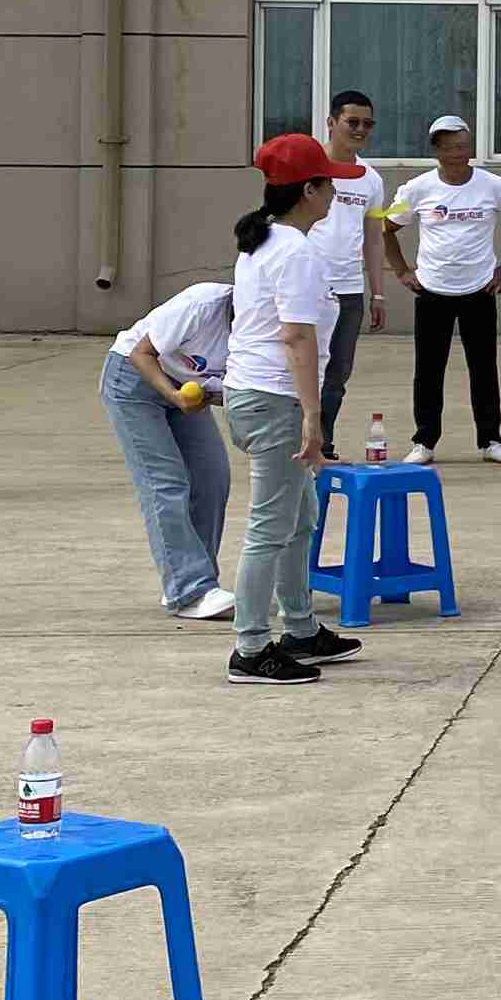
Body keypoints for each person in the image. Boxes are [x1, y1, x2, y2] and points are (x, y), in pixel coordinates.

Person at [220, 133, 367, 685]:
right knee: (270, 526)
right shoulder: (296, 252)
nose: (335, 195)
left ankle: (301, 629)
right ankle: (250, 648)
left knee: (300, 517)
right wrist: (312, 416)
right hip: (275, 400)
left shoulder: (263, 242)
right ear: (309, 190)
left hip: (255, 394)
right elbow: (297, 337)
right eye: (329, 185)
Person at [380, 114, 501, 465]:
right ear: (436, 151)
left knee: (483, 368)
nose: (457, 154)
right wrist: (401, 270)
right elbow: (386, 228)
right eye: (449, 148)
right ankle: (424, 441)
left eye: (463, 147)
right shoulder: (417, 189)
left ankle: (490, 440)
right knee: (428, 370)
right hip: (432, 290)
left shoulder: (494, 186)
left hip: (479, 290)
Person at [102, 275, 238, 618]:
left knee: (212, 479)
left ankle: (189, 580)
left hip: (189, 390)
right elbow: (141, 353)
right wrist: (174, 396)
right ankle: (190, 590)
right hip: (132, 379)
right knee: (165, 482)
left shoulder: (264, 333)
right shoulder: (203, 304)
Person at [301, 89, 389, 454]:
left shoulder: (371, 179)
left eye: (367, 124)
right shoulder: (305, 168)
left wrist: (377, 293)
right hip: (306, 287)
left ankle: (323, 443)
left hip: (349, 291)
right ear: (331, 122)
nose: (360, 130)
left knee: (336, 374)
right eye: (352, 122)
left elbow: (373, 239)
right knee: (301, 367)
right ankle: (296, 440)